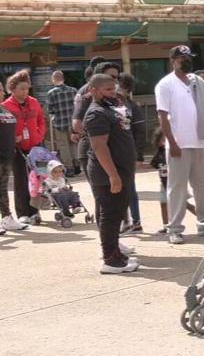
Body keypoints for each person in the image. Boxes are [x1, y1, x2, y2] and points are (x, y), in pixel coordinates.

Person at [155, 45, 204, 244]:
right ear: (173, 61)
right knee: (177, 188)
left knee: (201, 187)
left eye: (189, 58)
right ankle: (175, 229)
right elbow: (162, 116)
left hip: (199, 142)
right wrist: (172, 143)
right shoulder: (165, 84)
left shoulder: (197, 81)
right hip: (178, 144)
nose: (187, 61)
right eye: (183, 59)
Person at [84, 74, 139, 274]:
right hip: (107, 173)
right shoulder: (96, 113)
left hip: (122, 170)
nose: (112, 93)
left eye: (113, 88)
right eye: (107, 90)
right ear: (93, 90)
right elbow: (99, 147)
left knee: (117, 215)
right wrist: (113, 176)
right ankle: (110, 260)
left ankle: (116, 254)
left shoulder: (112, 108)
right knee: (110, 216)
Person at [2, 70, 45, 225]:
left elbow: (41, 120)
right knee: (21, 180)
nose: (25, 92)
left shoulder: (34, 102)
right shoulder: (5, 106)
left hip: (35, 147)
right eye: (22, 89)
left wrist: (39, 135)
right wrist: (12, 138)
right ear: (12, 89)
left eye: (27, 88)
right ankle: (22, 213)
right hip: (17, 149)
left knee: (37, 179)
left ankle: (35, 211)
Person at [118, 73, 144, 233]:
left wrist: (139, 155)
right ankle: (124, 220)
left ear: (127, 90)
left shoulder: (133, 107)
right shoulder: (108, 106)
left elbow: (140, 132)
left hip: (128, 153)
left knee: (129, 188)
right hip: (114, 153)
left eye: (120, 86)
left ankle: (136, 221)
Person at [0, 84, 28, 232]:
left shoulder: (4, 109)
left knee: (3, 188)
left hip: (7, 155)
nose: (2, 93)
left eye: (1, 89)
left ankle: (6, 218)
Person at [45, 70, 79, 176]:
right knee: (73, 144)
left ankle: (69, 168)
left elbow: (50, 110)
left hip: (59, 123)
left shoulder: (51, 93)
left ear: (53, 80)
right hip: (72, 123)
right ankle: (77, 164)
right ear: (63, 78)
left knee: (63, 146)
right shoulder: (73, 90)